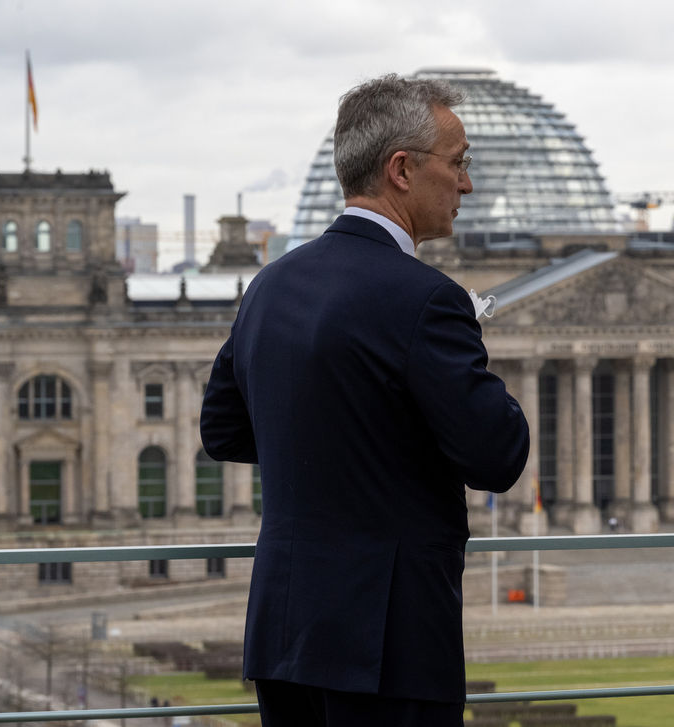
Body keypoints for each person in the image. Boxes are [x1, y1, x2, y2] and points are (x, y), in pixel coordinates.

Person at [200, 74, 530, 727]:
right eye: (458, 163)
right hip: (389, 643)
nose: (467, 184)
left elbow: (224, 430)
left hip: (284, 634)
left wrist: (349, 438)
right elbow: (498, 454)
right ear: (401, 170)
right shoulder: (427, 299)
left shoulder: (270, 285)